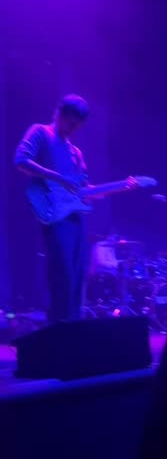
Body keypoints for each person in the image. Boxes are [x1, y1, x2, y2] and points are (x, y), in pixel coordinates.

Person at [14, 95, 92, 322]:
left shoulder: (76, 152)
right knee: (63, 272)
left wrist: (118, 187)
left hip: (75, 216)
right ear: (58, 113)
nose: (73, 129)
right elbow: (21, 159)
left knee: (78, 274)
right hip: (54, 214)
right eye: (71, 122)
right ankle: (59, 327)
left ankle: (72, 326)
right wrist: (56, 177)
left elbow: (83, 188)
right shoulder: (40, 132)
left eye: (78, 126)